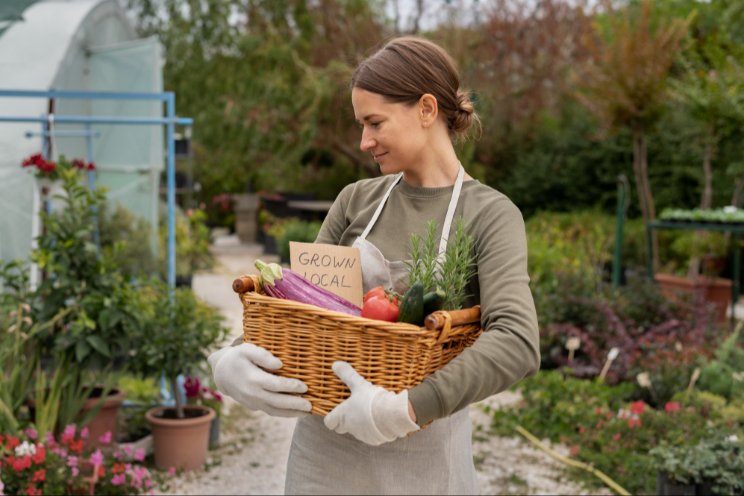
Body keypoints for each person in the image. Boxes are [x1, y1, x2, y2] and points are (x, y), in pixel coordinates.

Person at [209, 36, 540, 495]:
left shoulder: (489, 214)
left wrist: (403, 409)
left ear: (426, 109)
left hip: (423, 460)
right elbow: (299, 305)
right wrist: (229, 356)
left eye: (375, 122)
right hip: (323, 457)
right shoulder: (355, 201)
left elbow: (518, 340)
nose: (364, 141)